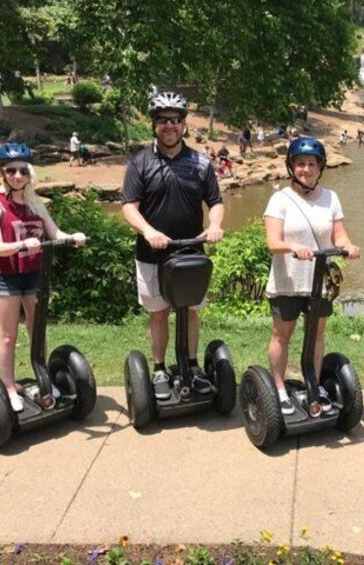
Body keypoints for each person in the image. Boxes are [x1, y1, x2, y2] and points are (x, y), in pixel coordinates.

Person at [121, 91, 225, 400]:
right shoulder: (140, 162)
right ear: (154, 124)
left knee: (191, 312)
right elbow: (129, 206)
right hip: (152, 254)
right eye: (163, 120)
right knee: (159, 313)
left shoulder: (200, 163)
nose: (170, 126)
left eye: (176, 120)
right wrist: (148, 231)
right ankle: (158, 369)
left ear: (184, 124)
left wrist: (215, 225)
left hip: (191, 252)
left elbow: (215, 202)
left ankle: (191, 367)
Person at [0, 142, 86, 412]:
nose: (17, 175)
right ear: (2, 173)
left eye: (22, 170)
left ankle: (42, 378)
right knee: (8, 336)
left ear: (29, 172)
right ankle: (8, 386)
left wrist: (73, 237)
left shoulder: (35, 203)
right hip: (6, 278)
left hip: (33, 276)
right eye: (11, 170)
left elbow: (56, 233)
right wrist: (21, 244)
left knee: (36, 330)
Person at [263, 137, 360, 415]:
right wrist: (293, 246)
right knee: (282, 335)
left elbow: (338, 235)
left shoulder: (331, 198)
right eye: (300, 164)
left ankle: (313, 385)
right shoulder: (279, 199)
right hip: (288, 280)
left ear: (320, 168)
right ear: (291, 166)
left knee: (316, 335)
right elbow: (272, 242)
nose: (306, 169)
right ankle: (280, 388)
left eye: (311, 164)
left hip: (320, 282)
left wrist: (348, 247)